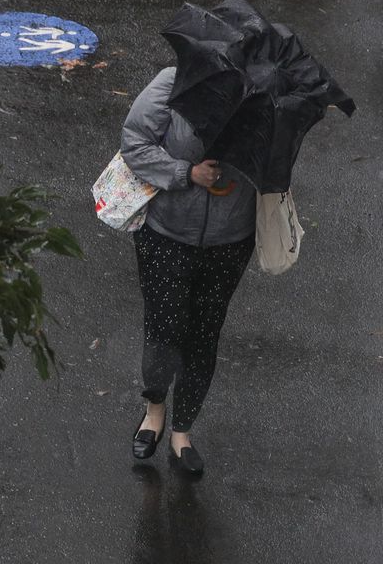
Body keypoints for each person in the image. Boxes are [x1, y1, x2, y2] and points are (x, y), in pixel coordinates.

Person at [121, 66, 257, 475]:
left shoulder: (264, 103)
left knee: (204, 333)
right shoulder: (175, 82)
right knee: (164, 329)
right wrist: (187, 172)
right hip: (167, 234)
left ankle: (182, 431)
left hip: (230, 241)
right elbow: (135, 143)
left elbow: (276, 171)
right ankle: (155, 410)